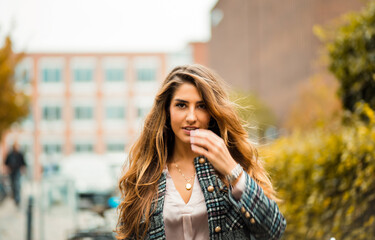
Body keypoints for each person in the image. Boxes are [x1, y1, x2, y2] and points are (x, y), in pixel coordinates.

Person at [116, 64, 286, 240]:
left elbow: (273, 230)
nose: (191, 117)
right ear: (167, 110)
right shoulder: (146, 174)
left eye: (201, 106)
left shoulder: (233, 164)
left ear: (212, 112)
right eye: (181, 105)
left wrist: (232, 170)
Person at [5, 142, 26, 206]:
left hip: (17, 172)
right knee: (13, 185)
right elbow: (6, 163)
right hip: (11, 172)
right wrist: (7, 169)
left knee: (17, 185)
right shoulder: (10, 154)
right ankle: (14, 197)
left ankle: (17, 199)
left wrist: (23, 170)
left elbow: (23, 164)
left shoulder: (20, 154)